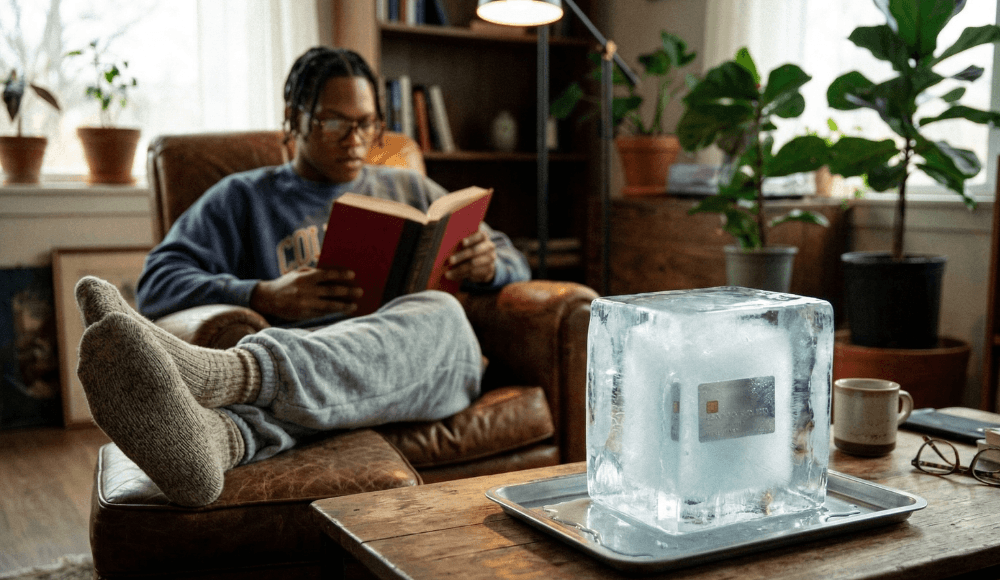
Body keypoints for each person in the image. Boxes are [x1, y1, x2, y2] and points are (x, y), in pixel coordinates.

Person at [74, 46, 531, 507]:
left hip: (424, 361)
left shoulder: (408, 187)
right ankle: (221, 439)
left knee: (444, 314)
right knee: (402, 343)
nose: (355, 139)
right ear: (294, 118)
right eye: (334, 122)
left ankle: (226, 376)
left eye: (367, 124)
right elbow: (157, 281)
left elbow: (516, 258)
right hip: (319, 376)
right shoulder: (242, 198)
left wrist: (493, 264)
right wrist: (262, 294)